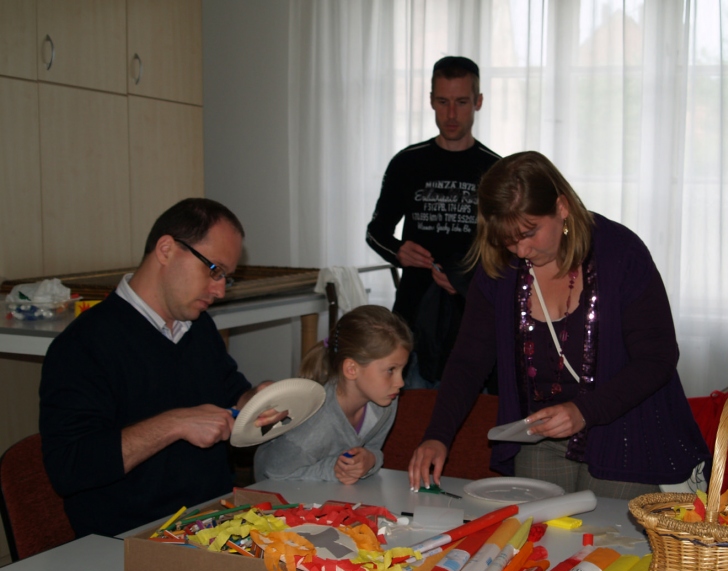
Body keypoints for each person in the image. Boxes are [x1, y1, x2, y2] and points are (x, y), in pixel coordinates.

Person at [407, 151, 708, 498]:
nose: (520, 250)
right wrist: (437, 435)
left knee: (606, 531)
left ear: (561, 207)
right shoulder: (501, 268)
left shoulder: (620, 253)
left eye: (529, 233)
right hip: (541, 433)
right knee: (538, 529)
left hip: (625, 430)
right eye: (507, 239)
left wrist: (583, 411)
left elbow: (658, 358)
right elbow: (468, 360)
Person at [40, 198, 283, 538]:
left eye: (226, 278)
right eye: (214, 270)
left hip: (214, 522)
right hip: (132, 541)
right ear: (167, 249)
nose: (219, 290)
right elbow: (70, 468)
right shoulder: (84, 345)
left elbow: (231, 391)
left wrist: (255, 401)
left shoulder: (197, 326)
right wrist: (174, 424)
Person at [366, 56, 501, 388]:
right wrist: (398, 251)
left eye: (461, 102)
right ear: (430, 101)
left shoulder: (495, 170)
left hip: (475, 318)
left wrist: (467, 279)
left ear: (478, 102)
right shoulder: (407, 163)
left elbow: (509, 250)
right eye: (443, 102)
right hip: (412, 318)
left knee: (475, 415)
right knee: (413, 411)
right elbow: (376, 232)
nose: (451, 114)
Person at [254, 305, 412, 484]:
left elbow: (373, 449)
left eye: (402, 370)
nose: (400, 383)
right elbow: (272, 472)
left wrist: (371, 460)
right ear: (351, 369)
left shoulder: (385, 404)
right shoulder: (315, 427)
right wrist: (333, 470)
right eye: (391, 370)